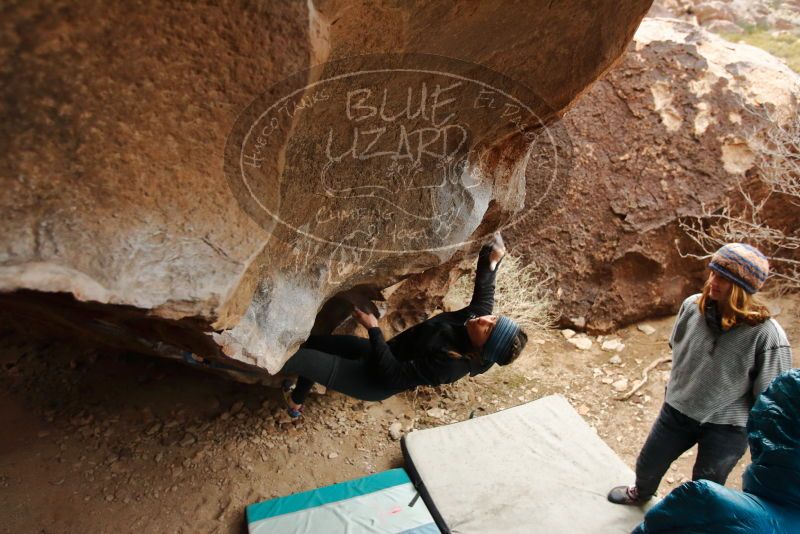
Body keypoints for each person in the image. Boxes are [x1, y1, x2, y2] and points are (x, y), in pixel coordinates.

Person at [608, 243, 792, 505]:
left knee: (705, 485)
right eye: (713, 273)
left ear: (741, 290)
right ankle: (640, 493)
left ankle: (691, 521)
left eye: (723, 279)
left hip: (726, 425)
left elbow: (771, 394)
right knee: (649, 463)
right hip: (678, 407)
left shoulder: (767, 335)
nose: (712, 282)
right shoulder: (692, 307)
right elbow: (678, 346)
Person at [279, 233, 528, 417]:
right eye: (494, 319)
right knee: (314, 344)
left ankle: (293, 395)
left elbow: (392, 376)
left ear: (482, 348)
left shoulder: (452, 366)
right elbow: (486, 286)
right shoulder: (477, 320)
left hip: (373, 379)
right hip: (378, 354)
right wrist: (494, 257)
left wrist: (373, 328)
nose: (485, 320)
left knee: (293, 358)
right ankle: (296, 401)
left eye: (488, 328)